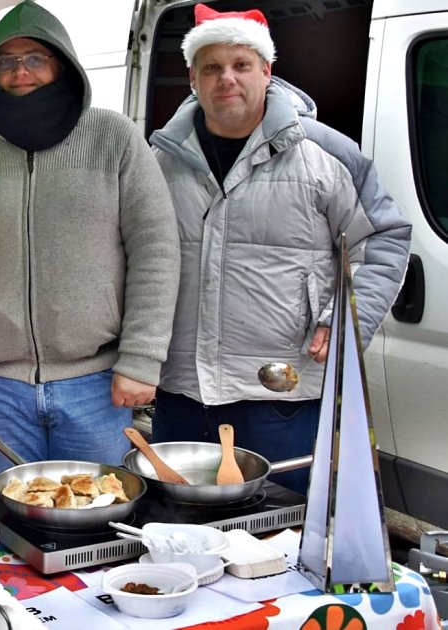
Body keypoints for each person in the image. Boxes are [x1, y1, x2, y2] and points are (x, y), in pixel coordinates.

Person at [148, 5, 412, 494]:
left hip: (280, 395)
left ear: (267, 71)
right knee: (180, 529)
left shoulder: (326, 153)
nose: (227, 78)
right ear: (192, 78)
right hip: (181, 392)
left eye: (241, 65)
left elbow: (383, 239)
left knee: (278, 534)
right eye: (212, 67)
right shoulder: (160, 157)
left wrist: (345, 319)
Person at [0, 2, 180, 487]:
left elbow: (157, 252)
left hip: (99, 384)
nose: (21, 71)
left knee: (98, 519)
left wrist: (142, 359)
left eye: (35, 58)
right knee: (18, 529)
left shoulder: (115, 139)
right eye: (6, 61)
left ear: (62, 63)